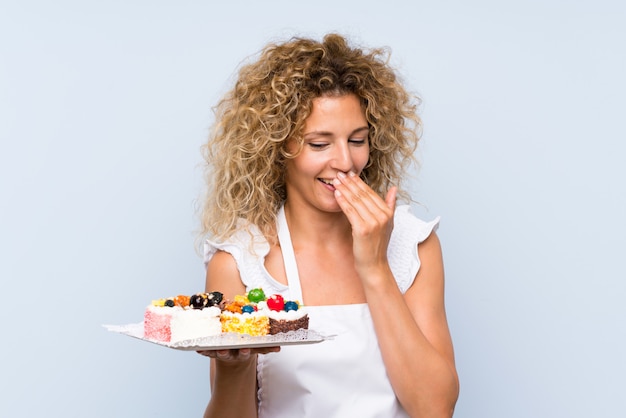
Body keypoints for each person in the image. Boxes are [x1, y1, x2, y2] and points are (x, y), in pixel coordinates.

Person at [197, 33, 459, 418]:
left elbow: (435, 409)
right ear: (277, 148)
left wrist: (374, 267)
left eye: (357, 140)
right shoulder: (240, 262)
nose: (345, 162)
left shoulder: (413, 245)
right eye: (319, 144)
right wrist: (234, 366)